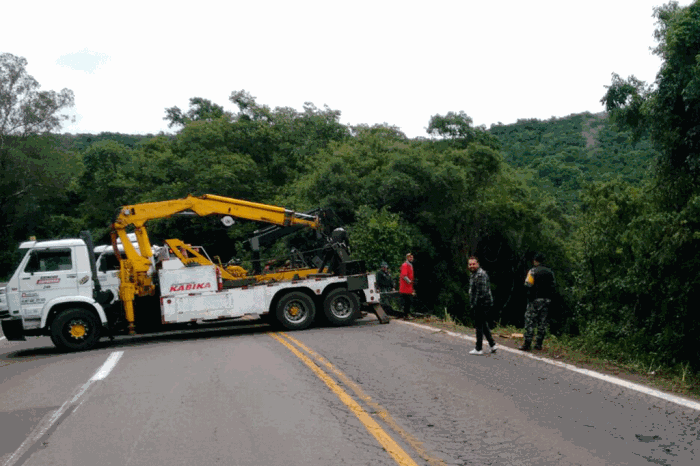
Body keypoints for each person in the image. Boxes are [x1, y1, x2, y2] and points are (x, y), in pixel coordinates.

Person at [520, 252, 556, 351]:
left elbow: (528, 284)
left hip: (535, 299)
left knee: (530, 320)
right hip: (547, 300)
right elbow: (553, 286)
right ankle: (538, 344)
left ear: (535, 261)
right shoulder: (550, 272)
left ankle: (527, 344)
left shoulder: (533, 271)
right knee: (542, 322)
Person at [468, 256, 497, 355]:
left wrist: (475, 305)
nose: (471, 266)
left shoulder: (480, 275)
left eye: (473, 264)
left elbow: (481, 293)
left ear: (478, 264)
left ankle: (478, 348)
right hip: (480, 303)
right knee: (483, 324)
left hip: (482, 304)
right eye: (470, 264)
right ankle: (492, 344)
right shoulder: (474, 274)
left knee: (479, 326)